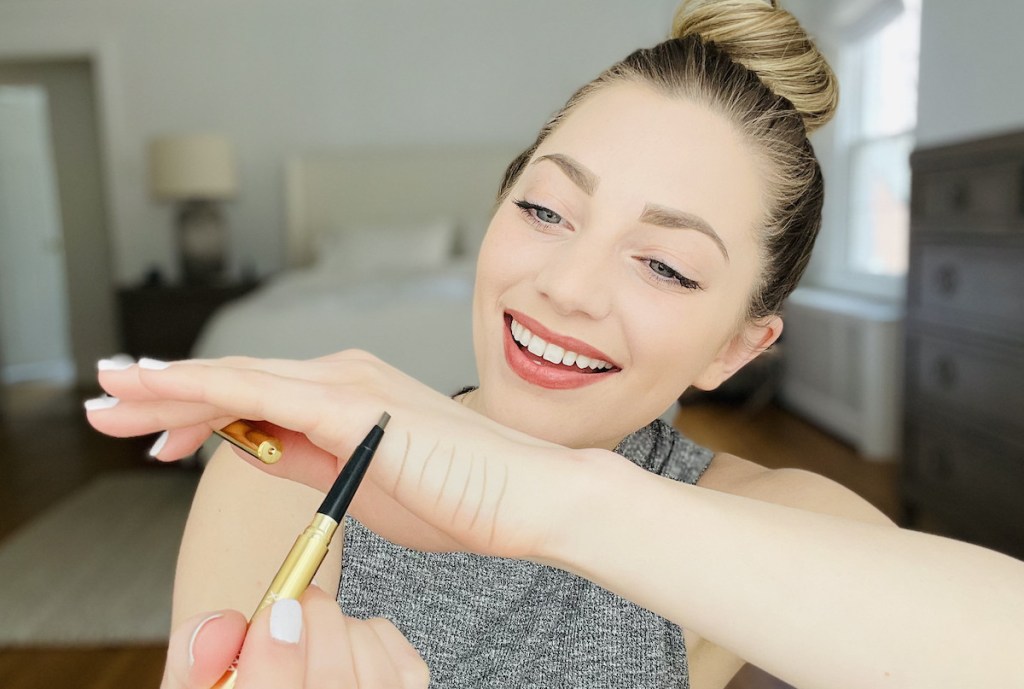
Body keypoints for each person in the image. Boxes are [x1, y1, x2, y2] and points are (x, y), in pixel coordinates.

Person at [86, 1, 1024, 687]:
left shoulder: (762, 517)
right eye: (544, 209)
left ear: (736, 349)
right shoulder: (277, 470)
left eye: (664, 265)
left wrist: (534, 492)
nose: (566, 287)